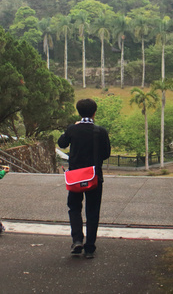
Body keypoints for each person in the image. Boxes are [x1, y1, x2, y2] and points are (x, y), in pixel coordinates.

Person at [58, 98, 111, 259]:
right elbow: (106, 154)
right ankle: (90, 248)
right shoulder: (100, 131)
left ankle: (77, 240)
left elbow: (62, 143)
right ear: (94, 112)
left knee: (74, 207)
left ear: (79, 112)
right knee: (92, 210)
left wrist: (69, 130)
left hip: (75, 176)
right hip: (94, 176)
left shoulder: (73, 129)